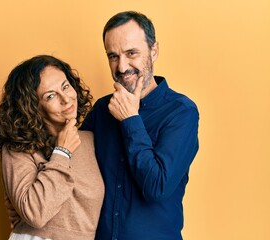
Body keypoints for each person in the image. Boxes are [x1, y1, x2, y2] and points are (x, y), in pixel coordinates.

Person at [80, 11, 199, 240]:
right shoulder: (102, 110)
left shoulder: (182, 112)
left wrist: (130, 120)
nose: (122, 67)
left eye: (131, 53)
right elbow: (71, 165)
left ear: (153, 51)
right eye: (113, 56)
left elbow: (157, 187)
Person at [0, 55, 104, 240]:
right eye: (50, 96)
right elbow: (35, 213)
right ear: (33, 107)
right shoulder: (18, 148)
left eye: (65, 86)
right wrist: (62, 153)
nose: (66, 99)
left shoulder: (91, 140)